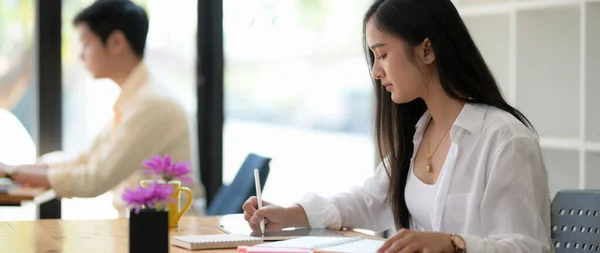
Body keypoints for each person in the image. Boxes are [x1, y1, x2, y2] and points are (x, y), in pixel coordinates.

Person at [242, 0, 552, 252]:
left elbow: (527, 247)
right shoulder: (421, 133)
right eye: (373, 58)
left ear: (427, 50)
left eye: (383, 54)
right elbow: (369, 199)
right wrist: (290, 214)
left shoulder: (505, 139)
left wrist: (453, 244)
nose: (376, 71)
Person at [0, 0, 205, 217]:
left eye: (86, 44)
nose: (81, 55)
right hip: (144, 229)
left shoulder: (152, 105)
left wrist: (13, 172)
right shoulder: (137, 98)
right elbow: (84, 158)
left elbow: (94, 179)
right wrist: (20, 169)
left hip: (169, 236)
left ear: (116, 42)